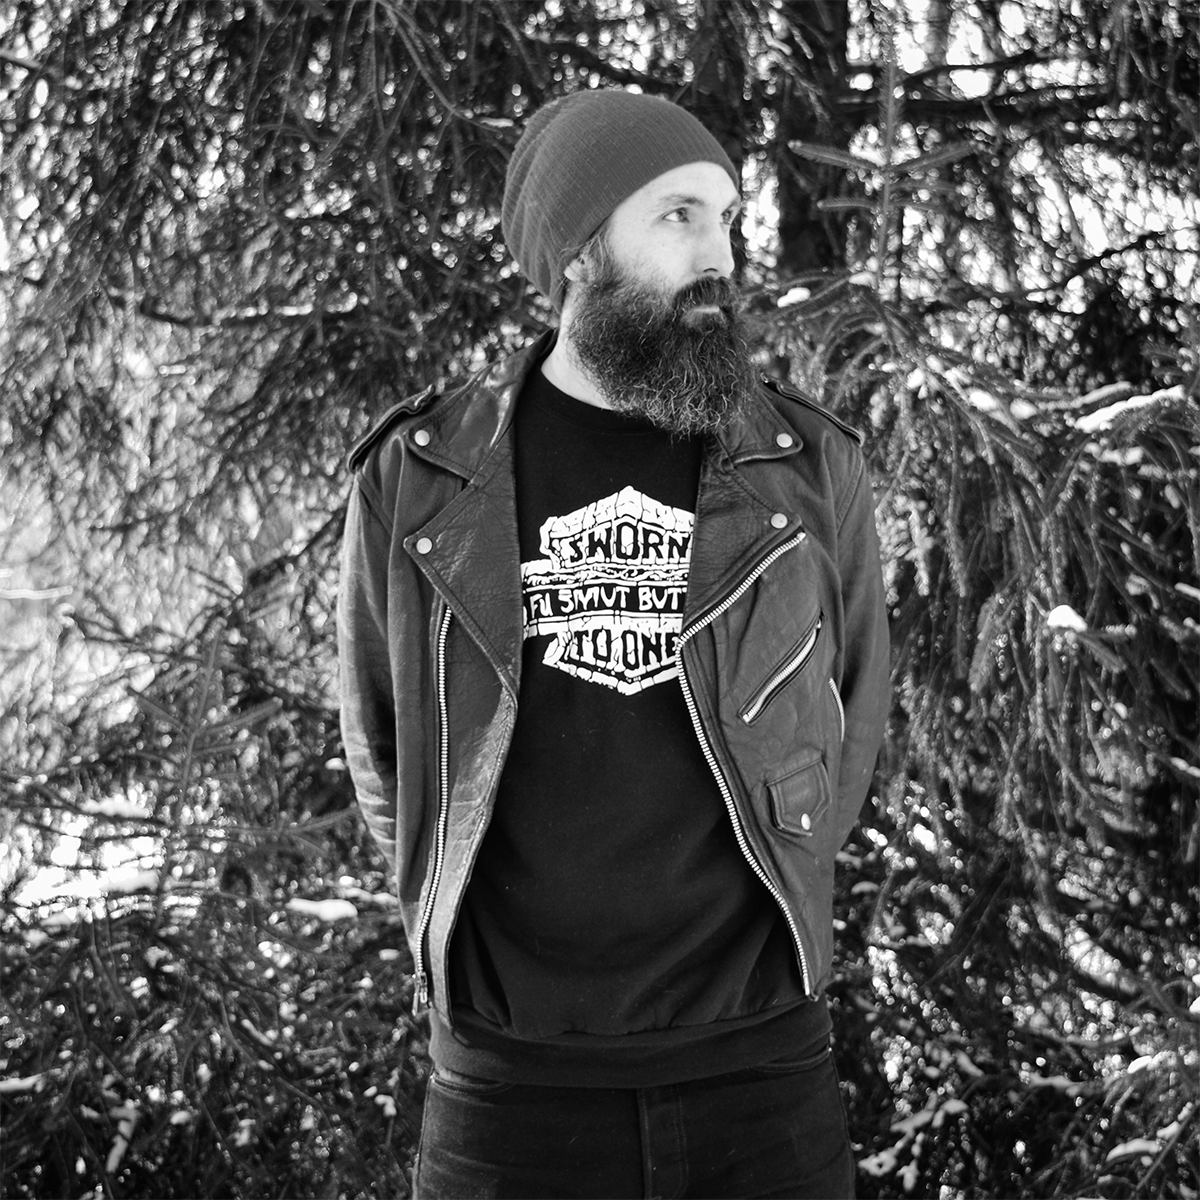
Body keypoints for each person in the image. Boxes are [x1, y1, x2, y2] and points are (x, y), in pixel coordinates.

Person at [338, 88, 890, 1200]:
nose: (718, 255)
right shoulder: (421, 476)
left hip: (762, 1078)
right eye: (678, 215)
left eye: (726, 219)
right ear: (578, 252)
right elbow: (384, 749)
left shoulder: (801, 466)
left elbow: (852, 711)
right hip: (509, 1095)